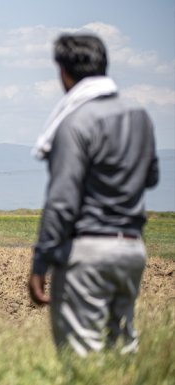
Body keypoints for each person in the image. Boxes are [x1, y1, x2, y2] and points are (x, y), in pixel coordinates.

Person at [28, 34, 159, 357]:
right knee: (122, 352)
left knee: (83, 358)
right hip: (131, 249)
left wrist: (40, 262)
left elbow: (62, 201)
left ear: (64, 73)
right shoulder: (139, 115)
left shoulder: (75, 122)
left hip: (88, 252)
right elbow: (152, 176)